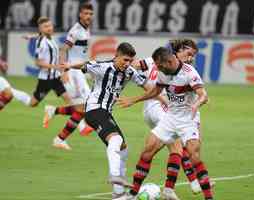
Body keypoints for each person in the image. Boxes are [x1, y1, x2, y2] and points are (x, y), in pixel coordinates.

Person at [117, 47, 213, 200]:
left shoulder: (189, 73)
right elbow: (155, 92)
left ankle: (208, 197)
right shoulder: (163, 72)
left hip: (188, 119)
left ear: (169, 61)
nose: (158, 69)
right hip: (170, 118)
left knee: (194, 156)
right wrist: (133, 100)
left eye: (160, 66)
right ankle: (132, 194)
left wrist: (196, 104)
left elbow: (203, 95)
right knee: (147, 151)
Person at [60, 42, 149, 200]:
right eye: (125, 60)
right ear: (117, 56)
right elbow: (85, 65)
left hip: (106, 112)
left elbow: (149, 87)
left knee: (123, 149)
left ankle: (118, 194)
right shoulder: (103, 66)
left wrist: (163, 100)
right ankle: (115, 175)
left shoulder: (129, 72)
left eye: (130, 61)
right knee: (115, 139)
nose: (127, 64)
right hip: (94, 110)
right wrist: (69, 65)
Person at [43, 2, 94, 150]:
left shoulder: (86, 29)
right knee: (84, 107)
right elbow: (63, 50)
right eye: (86, 13)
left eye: (90, 14)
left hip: (79, 71)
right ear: (80, 14)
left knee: (83, 107)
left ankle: (53, 112)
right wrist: (63, 72)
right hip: (72, 72)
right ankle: (60, 138)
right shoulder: (76, 30)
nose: (88, 16)